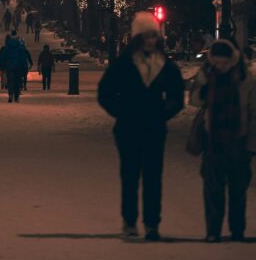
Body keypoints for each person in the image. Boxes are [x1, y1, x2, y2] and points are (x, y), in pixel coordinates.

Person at [97, 12, 184, 241]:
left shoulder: (165, 66)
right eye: (146, 36)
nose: (150, 41)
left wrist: (163, 114)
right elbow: (105, 92)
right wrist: (122, 112)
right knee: (130, 176)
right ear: (137, 38)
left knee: (153, 178)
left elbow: (177, 95)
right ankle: (130, 221)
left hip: (154, 128)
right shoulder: (124, 64)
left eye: (153, 36)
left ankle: (152, 223)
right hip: (129, 128)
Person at [190, 39, 256, 242]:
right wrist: (203, 91)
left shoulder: (246, 78)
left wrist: (251, 144)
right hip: (214, 138)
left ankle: (237, 230)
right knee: (213, 187)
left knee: (238, 188)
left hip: (238, 137)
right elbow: (194, 100)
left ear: (232, 59)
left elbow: (253, 111)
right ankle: (213, 230)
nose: (221, 67)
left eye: (224, 63)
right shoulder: (206, 75)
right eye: (217, 62)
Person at [2, 30, 29, 103]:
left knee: (10, 81)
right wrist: (24, 65)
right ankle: (16, 96)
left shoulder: (7, 47)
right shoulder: (20, 47)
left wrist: (2, 65)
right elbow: (23, 57)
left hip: (9, 66)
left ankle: (10, 94)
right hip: (18, 66)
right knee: (17, 81)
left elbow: (3, 56)